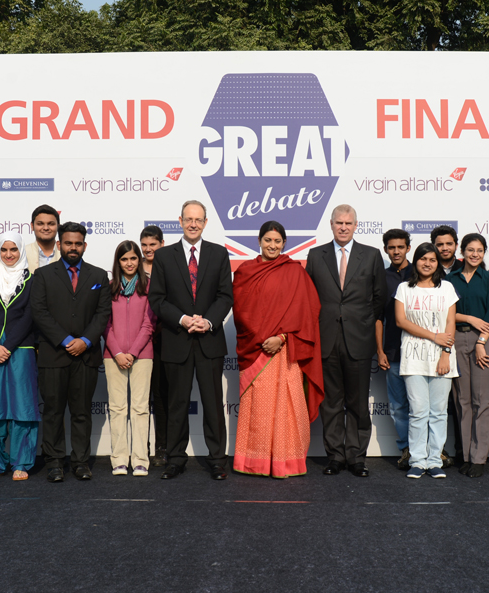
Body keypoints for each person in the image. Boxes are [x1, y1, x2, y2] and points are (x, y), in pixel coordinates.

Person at [148, 201, 233, 481]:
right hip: (177, 339)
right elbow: (157, 299)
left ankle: (218, 460)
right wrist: (184, 319)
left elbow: (225, 296)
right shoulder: (163, 257)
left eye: (198, 219)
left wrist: (207, 321)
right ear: (180, 221)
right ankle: (175, 459)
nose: (193, 224)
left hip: (209, 340)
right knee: (177, 404)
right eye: (188, 219)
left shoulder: (219, 254)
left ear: (206, 222)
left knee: (212, 403)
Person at [232, 221, 324, 478]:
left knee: (286, 407)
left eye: (277, 241)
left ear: (284, 243)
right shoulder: (245, 271)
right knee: (257, 409)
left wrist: (281, 337)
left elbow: (308, 312)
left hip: (285, 352)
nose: (272, 245)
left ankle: (286, 462)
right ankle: (254, 462)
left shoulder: (294, 272)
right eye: (268, 240)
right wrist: (264, 338)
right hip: (257, 350)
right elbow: (241, 311)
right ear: (259, 241)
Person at [306, 204, 386, 478]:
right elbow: (308, 298)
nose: (343, 227)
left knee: (358, 403)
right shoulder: (316, 256)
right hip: (326, 339)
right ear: (331, 224)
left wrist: (362, 323)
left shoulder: (372, 255)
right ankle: (335, 456)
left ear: (355, 225)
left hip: (359, 340)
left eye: (348, 223)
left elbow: (379, 299)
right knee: (331, 403)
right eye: (338, 222)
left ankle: (356, 457)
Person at [31, 223, 112, 482]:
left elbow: (103, 314)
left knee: (81, 411)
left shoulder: (99, 276)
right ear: (59, 245)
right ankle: (54, 462)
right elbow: (39, 313)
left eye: (78, 243)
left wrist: (86, 340)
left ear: (84, 245)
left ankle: (80, 462)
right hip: (54, 354)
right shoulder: (42, 276)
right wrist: (67, 340)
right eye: (68, 243)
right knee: (53, 410)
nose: (73, 247)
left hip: (86, 356)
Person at [0, 233, 39, 481]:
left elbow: (29, 316)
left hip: (20, 350)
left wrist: (8, 346)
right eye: (4, 250)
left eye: (14, 249)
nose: (9, 254)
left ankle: (21, 463)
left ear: (21, 251)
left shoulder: (31, 281)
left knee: (23, 408)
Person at [394, 243, 458, 479]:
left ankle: (435, 461)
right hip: (413, 358)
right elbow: (401, 321)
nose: (427, 263)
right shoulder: (404, 288)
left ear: (437, 263)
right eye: (423, 259)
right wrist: (434, 336)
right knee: (418, 411)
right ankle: (417, 461)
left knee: (439, 412)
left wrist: (445, 354)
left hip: (442, 357)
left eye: (432, 259)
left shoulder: (447, 288)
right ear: (415, 261)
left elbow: (450, 324)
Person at [446, 234, 489, 478]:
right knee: (462, 402)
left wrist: (480, 342)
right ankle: (465, 456)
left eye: (479, 250)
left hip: (484, 342)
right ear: (462, 251)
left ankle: (479, 458)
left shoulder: (488, 279)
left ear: (484, 252)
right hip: (456, 339)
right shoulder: (450, 279)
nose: (475, 254)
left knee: (482, 402)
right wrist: (467, 318)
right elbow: (445, 313)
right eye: (470, 250)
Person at [104, 240, 156, 477]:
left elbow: (149, 324)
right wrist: (117, 352)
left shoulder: (149, 287)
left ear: (139, 260)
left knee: (140, 408)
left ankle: (140, 459)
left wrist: (133, 352)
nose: (129, 263)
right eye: (124, 259)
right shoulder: (109, 288)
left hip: (142, 355)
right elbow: (105, 325)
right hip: (112, 356)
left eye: (133, 258)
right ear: (118, 262)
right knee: (117, 408)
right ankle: (119, 459)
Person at [376, 228, 413, 470]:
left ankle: (432, 450)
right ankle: (406, 450)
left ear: (408, 248)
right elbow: (378, 318)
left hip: (423, 352)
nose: (396, 251)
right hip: (393, 352)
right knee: (399, 406)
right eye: (392, 247)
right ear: (386, 249)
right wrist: (380, 351)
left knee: (425, 407)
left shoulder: (422, 270)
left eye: (401, 246)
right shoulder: (381, 277)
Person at [429, 224, 463, 466]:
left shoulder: (469, 268)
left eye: (448, 243)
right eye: (439, 244)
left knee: (461, 402)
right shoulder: (425, 269)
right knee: (434, 405)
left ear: (456, 245)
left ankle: (463, 452)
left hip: (463, 340)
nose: (444, 248)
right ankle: (436, 451)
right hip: (432, 342)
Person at [140, 225, 169, 467]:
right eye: (145, 245)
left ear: (162, 244)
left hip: (162, 341)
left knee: (160, 396)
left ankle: (162, 447)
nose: (149, 249)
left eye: (153, 244)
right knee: (139, 399)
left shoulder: (170, 265)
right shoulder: (132, 266)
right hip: (136, 342)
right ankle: (140, 447)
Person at [25, 204, 61, 271]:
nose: (46, 228)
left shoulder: (65, 253)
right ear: (32, 226)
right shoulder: (23, 253)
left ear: (58, 226)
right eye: (40, 224)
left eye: (51, 224)